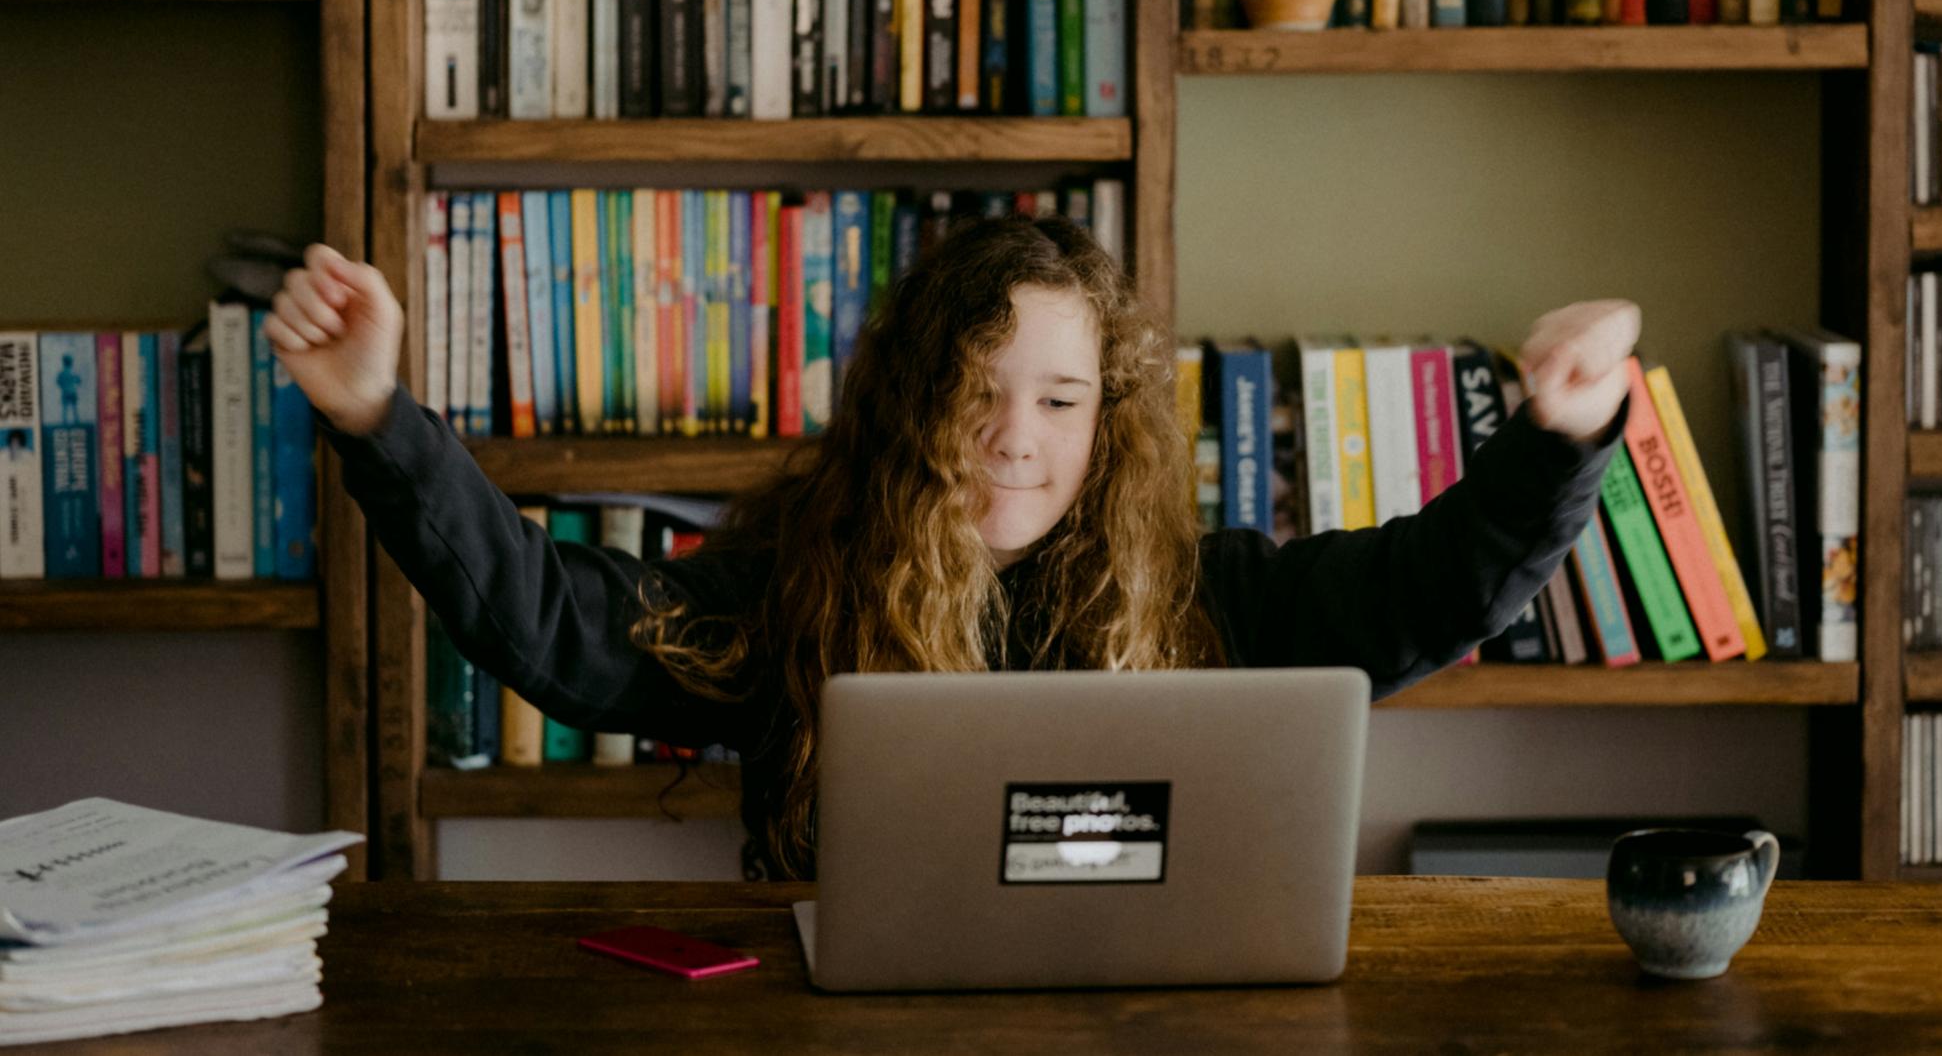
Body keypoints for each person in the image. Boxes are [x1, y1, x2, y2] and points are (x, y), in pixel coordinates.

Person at [269, 215, 1638, 881]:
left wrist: (1559, 440)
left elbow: (1422, 594)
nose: (1013, 439)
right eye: (974, 392)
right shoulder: (803, 592)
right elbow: (556, 626)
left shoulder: (1210, 598)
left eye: (1058, 401)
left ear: (1107, 422)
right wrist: (381, 420)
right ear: (912, 402)